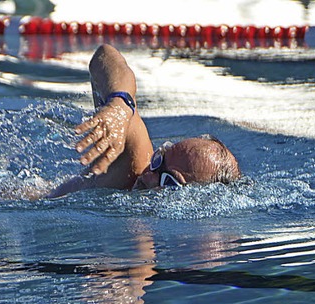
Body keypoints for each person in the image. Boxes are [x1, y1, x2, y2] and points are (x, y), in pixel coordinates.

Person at [47, 44, 241, 198]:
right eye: (158, 160)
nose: (148, 175)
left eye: (169, 181)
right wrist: (120, 105)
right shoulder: (131, 167)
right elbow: (104, 55)